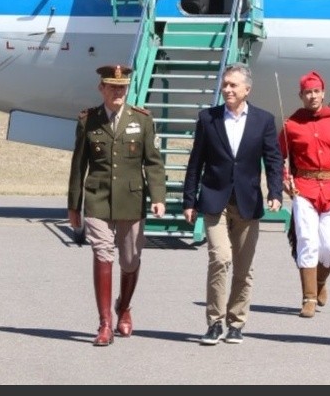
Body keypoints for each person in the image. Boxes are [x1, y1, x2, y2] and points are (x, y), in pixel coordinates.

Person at [182, 62, 284, 345]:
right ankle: (214, 322)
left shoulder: (263, 120)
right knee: (220, 258)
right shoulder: (208, 118)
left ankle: (236, 323)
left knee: (243, 267)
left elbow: (274, 160)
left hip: (248, 201)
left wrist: (275, 191)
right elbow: (196, 162)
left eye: (233, 85)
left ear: (246, 90)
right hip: (215, 199)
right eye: (225, 84)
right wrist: (189, 200)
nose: (227, 89)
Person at [67, 64, 167, 347]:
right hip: (97, 197)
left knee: (130, 258)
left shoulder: (142, 120)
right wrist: (74, 204)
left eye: (122, 87)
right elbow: (79, 165)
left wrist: (158, 197)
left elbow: (153, 162)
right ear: (102, 88)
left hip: (131, 198)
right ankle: (104, 324)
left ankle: (123, 307)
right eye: (112, 87)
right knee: (102, 252)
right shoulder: (89, 120)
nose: (118, 92)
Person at [278, 71, 330, 318]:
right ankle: (308, 297)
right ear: (301, 95)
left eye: (316, 91)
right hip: (304, 189)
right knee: (307, 241)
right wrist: (285, 180)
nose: (313, 96)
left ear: (323, 93)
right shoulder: (291, 125)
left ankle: (319, 283)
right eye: (308, 92)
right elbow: (277, 157)